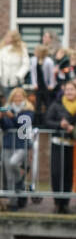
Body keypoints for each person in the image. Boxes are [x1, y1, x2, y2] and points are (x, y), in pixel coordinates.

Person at [0, 88, 34, 210]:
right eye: (15, 96)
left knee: (13, 163)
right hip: (8, 143)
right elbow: (6, 127)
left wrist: (12, 117)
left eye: (20, 96)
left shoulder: (28, 110)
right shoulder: (7, 108)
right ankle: (13, 202)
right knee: (9, 176)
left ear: (24, 97)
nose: (17, 99)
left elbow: (22, 125)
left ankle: (20, 181)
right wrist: (1, 118)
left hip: (21, 144)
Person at [45, 79, 76, 214]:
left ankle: (66, 203)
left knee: (68, 175)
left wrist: (71, 128)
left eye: (72, 89)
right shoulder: (56, 104)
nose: (69, 92)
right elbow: (47, 121)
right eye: (67, 89)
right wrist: (60, 125)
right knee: (57, 173)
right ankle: (57, 202)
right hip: (58, 143)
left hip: (71, 144)